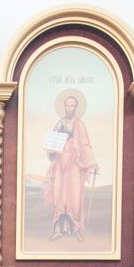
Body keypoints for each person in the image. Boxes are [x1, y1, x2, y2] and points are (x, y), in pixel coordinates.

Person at [43, 93, 97, 244]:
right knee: (59, 196)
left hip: (75, 165)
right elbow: (52, 141)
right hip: (60, 165)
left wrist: (92, 162)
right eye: (67, 105)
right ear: (64, 107)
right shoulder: (60, 123)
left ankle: (76, 229)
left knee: (74, 198)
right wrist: (53, 149)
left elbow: (85, 145)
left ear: (76, 107)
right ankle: (57, 230)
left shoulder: (79, 125)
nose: (69, 108)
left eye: (72, 105)